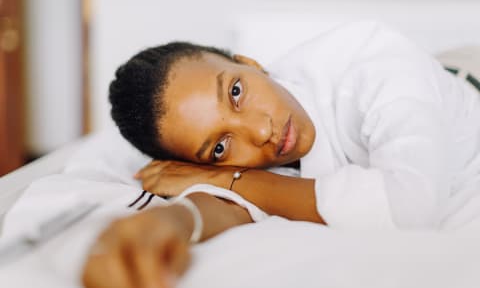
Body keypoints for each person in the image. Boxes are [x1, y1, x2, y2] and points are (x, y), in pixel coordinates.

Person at [82, 21, 480, 288]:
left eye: (236, 92)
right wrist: (171, 222)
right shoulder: (247, 164)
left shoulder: (372, 59)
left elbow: (407, 207)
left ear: (250, 63)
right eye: (219, 147)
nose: (260, 132)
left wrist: (227, 177)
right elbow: (234, 203)